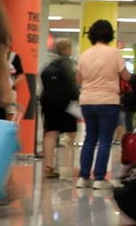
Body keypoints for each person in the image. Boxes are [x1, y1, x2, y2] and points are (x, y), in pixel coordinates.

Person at [75, 18, 124, 192]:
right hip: (108, 101)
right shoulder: (114, 53)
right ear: (109, 35)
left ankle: (83, 177)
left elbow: (78, 79)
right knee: (104, 140)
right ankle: (99, 178)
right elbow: (126, 76)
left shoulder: (84, 54)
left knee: (89, 139)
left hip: (87, 101)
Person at [39, 39, 79, 180]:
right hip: (67, 104)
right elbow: (73, 85)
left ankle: (49, 167)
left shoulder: (49, 65)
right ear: (67, 49)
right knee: (72, 135)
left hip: (49, 103)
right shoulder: (70, 64)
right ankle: (69, 167)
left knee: (51, 134)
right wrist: (78, 101)